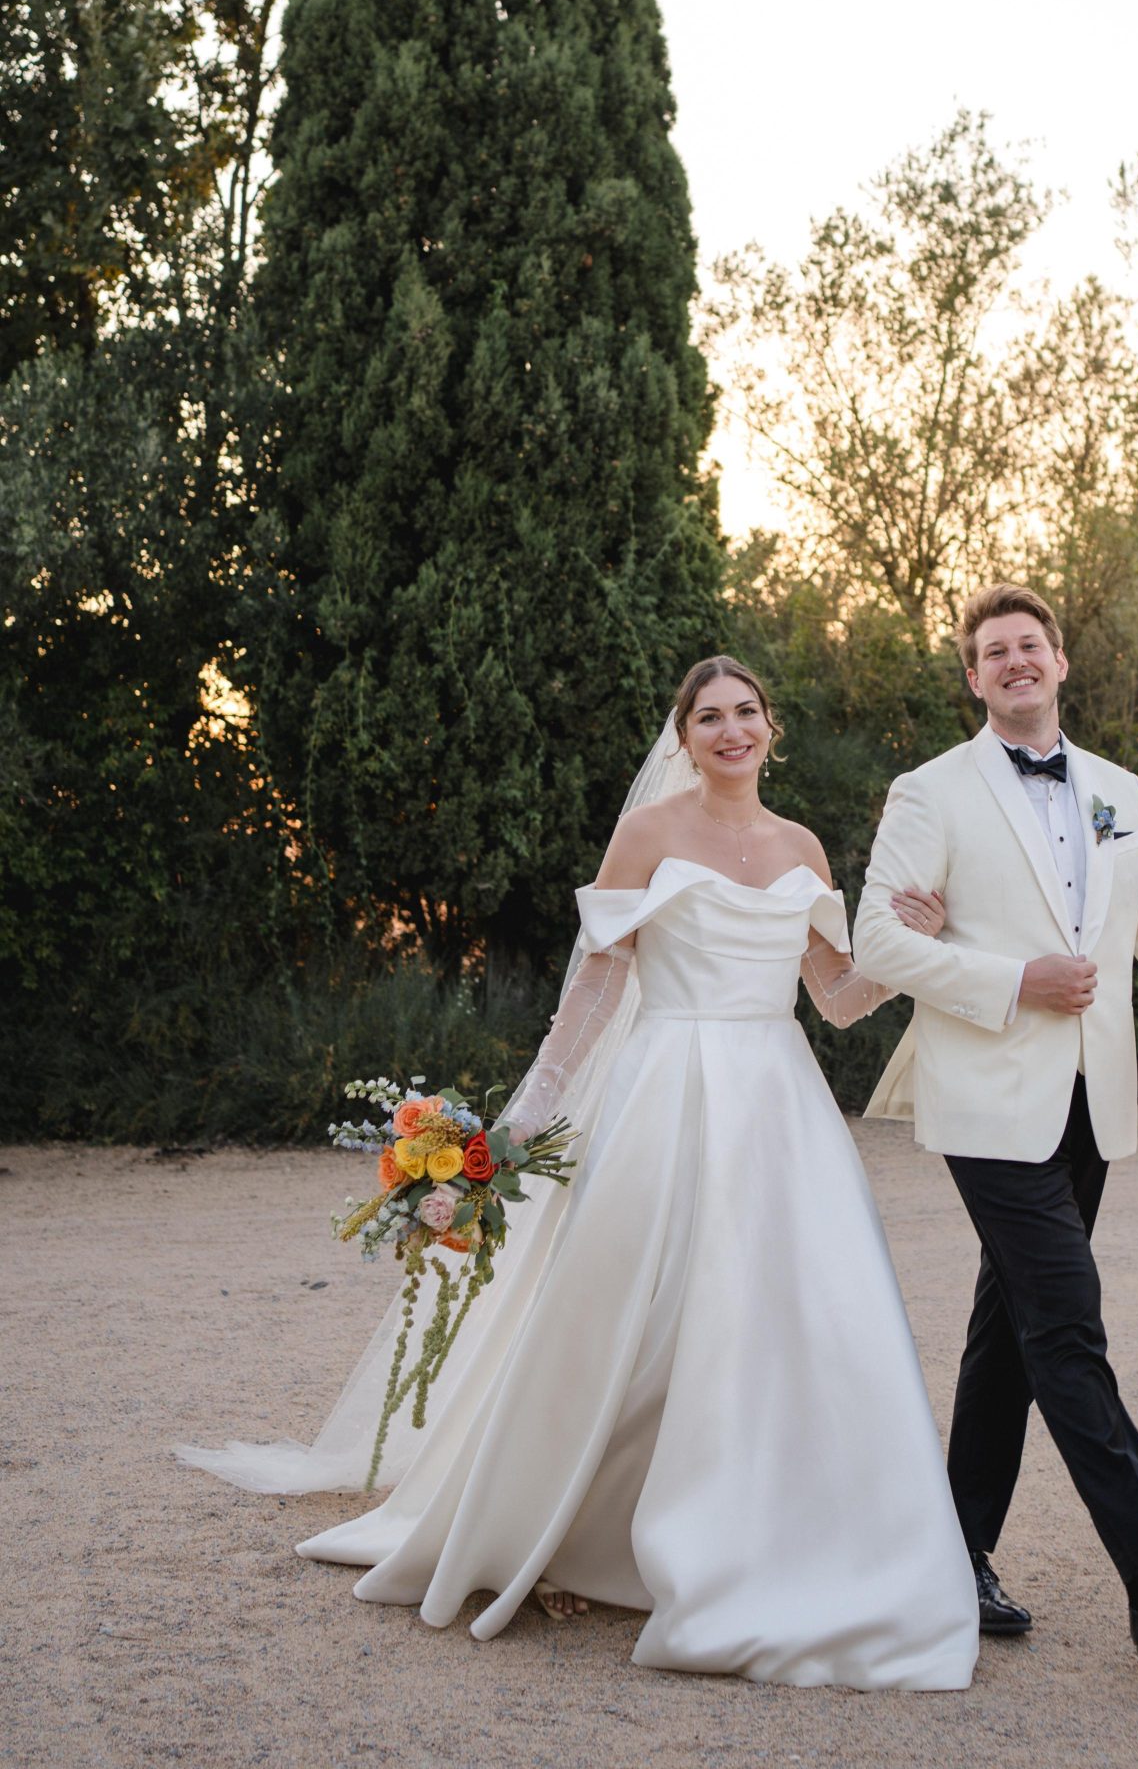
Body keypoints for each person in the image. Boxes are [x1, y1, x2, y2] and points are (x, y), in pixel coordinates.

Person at [180, 658, 979, 1690]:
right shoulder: (649, 835)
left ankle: (760, 1531)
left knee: (782, 1316)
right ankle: (565, 1529)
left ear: (771, 729)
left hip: (779, 1102)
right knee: (623, 1319)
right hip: (666, 1092)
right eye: (709, 717)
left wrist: (914, 942)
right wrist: (517, 1126)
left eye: (746, 714)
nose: (731, 731)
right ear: (683, 736)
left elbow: (833, 997)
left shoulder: (802, 846)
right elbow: (598, 989)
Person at [853, 583, 1138, 1668]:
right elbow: (876, 944)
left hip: (1093, 1102)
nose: (1014, 661)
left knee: (1015, 1333)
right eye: (993, 652)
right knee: (1068, 1320)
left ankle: (953, 1559)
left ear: (1061, 661)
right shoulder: (928, 792)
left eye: (1029, 644)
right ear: (973, 677)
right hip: (986, 1098)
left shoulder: (1119, 791)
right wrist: (1012, 978)